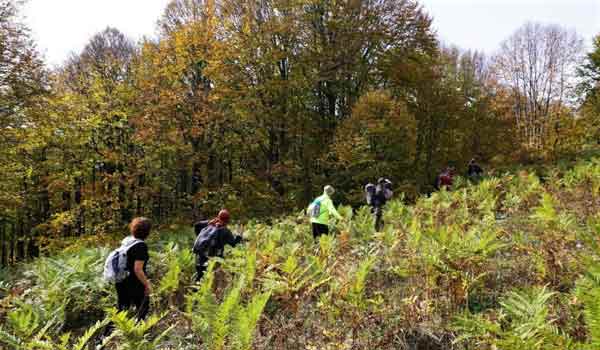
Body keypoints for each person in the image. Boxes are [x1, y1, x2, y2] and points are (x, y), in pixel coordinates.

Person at [101, 217, 152, 341]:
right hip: (134, 283)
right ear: (147, 231)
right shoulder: (141, 246)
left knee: (121, 310)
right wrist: (147, 285)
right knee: (143, 306)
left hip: (121, 281)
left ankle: (103, 337)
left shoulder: (128, 241)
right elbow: (138, 269)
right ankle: (139, 336)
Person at [193, 209, 242, 282]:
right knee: (210, 278)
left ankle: (196, 291)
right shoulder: (225, 231)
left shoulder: (209, 225)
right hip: (214, 258)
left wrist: (208, 223)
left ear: (218, 217)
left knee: (200, 277)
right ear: (228, 220)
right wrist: (239, 236)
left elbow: (196, 225)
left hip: (200, 255)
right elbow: (233, 244)